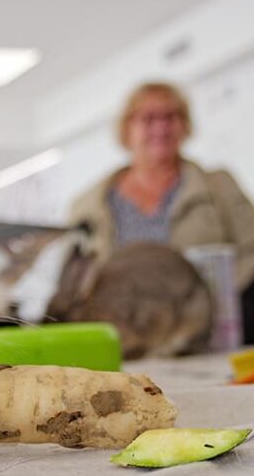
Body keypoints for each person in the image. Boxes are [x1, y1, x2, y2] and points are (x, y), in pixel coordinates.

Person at [70, 81, 254, 343]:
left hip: (209, 336)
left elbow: (251, 251)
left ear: (185, 126)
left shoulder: (219, 186)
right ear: (127, 129)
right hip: (123, 340)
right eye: (148, 118)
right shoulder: (88, 205)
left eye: (171, 116)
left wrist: (213, 302)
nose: (161, 127)